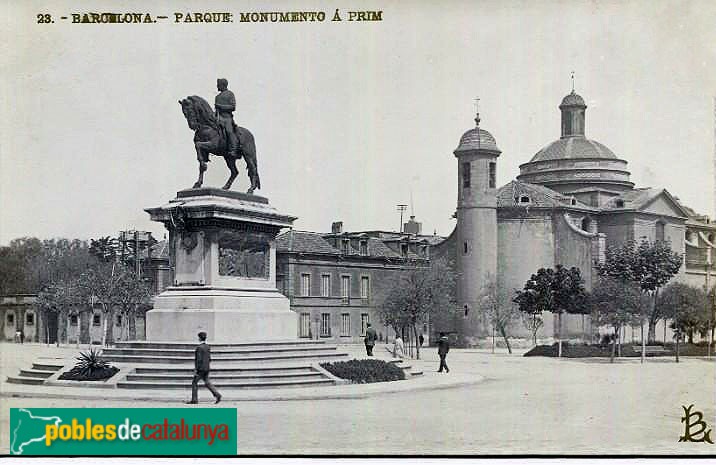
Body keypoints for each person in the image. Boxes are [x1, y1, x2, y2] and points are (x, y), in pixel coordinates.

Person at [186, 331, 222, 404]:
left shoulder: (199, 348)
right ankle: (217, 395)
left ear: (199, 338)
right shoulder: (207, 347)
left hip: (200, 369)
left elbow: (198, 360)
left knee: (194, 383)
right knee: (207, 382)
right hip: (207, 368)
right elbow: (209, 358)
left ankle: (194, 399)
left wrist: (196, 369)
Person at [214, 78, 240, 158]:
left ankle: (233, 149)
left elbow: (233, 107)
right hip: (218, 117)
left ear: (223, 85)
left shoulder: (230, 94)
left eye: (218, 85)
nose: (217, 86)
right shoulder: (217, 97)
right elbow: (216, 110)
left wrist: (221, 106)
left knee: (229, 131)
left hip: (227, 118)